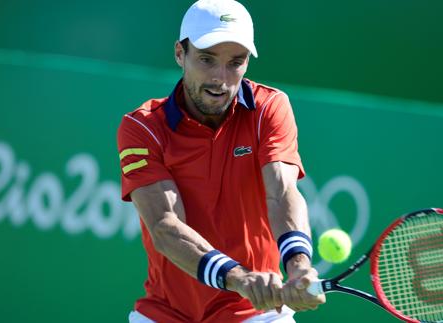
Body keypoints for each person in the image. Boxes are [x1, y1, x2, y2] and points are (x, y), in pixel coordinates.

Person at [117, 0, 325, 322]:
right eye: (206, 59)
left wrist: (298, 265)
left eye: (235, 63)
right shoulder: (142, 127)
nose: (221, 78)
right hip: (166, 314)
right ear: (179, 54)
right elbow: (165, 227)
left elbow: (282, 193)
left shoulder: (268, 109)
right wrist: (240, 278)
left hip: (258, 314)